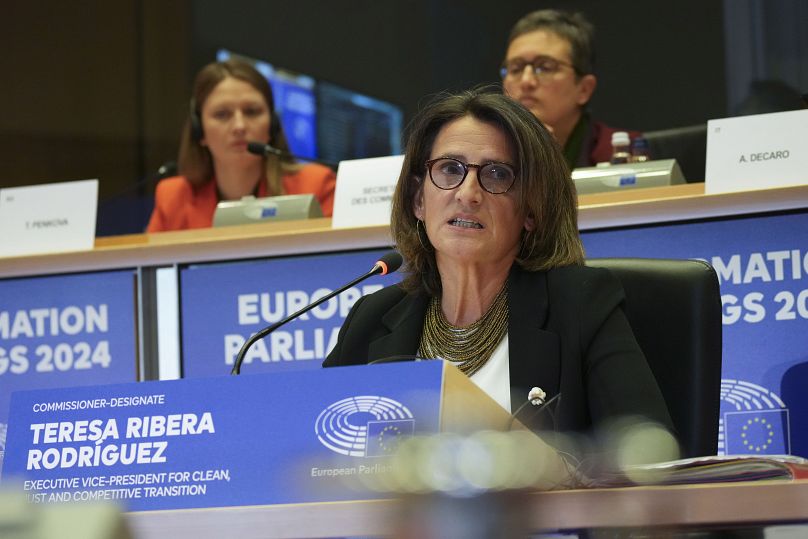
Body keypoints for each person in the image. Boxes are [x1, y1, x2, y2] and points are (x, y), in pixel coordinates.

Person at [323, 89, 673, 435]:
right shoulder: (371, 319)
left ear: (531, 210)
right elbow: (317, 447)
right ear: (418, 200)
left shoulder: (580, 305)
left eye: (496, 174)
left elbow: (647, 449)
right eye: (449, 169)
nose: (467, 193)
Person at [147, 59, 336, 232]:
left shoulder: (317, 185)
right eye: (222, 114)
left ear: (272, 125)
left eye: (252, 112)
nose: (239, 126)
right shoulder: (173, 197)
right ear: (199, 131)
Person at [501, 9, 639, 169]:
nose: (526, 81)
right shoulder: (488, 154)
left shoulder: (621, 153)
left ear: (584, 89)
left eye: (545, 67)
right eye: (516, 69)